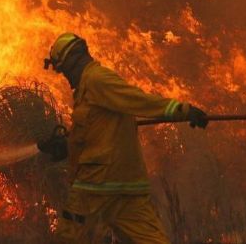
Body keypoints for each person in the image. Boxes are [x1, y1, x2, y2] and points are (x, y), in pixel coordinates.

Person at [38, 32, 208, 243]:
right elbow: (95, 131)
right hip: (125, 186)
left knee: (68, 237)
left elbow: (138, 100)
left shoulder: (97, 80)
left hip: (94, 187)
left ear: (74, 60)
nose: (66, 77)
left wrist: (182, 110)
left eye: (64, 70)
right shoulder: (88, 87)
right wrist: (67, 145)